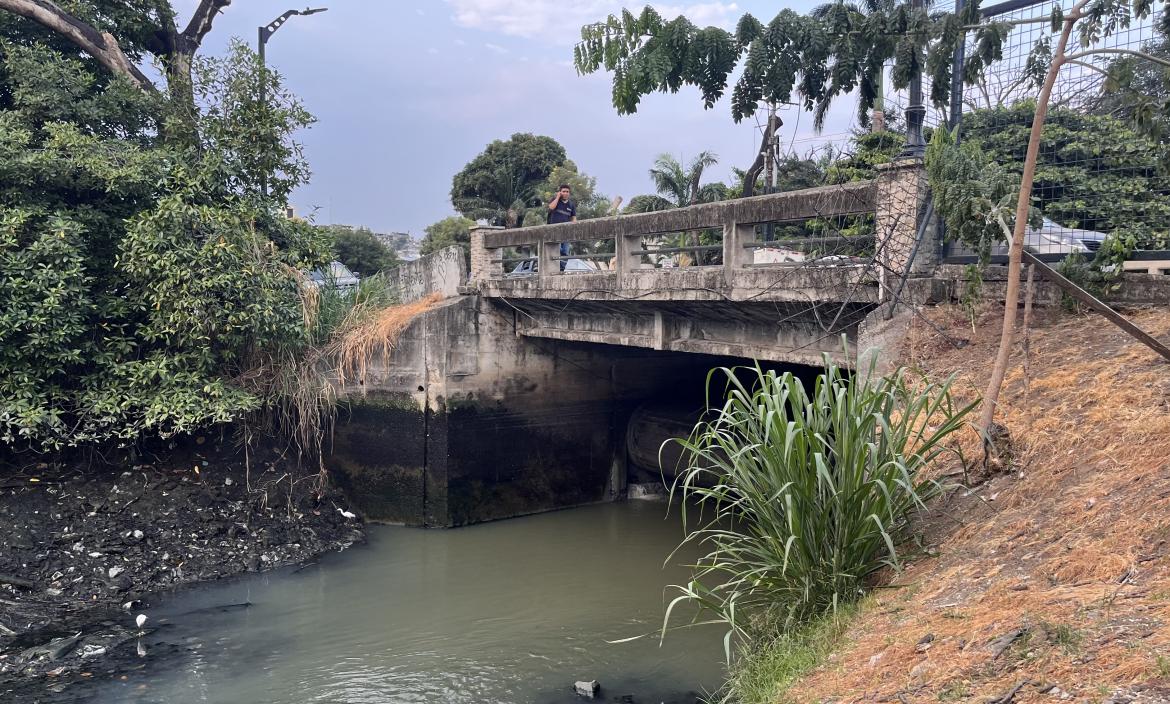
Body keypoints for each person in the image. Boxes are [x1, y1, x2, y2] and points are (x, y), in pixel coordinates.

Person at [546, 184, 576, 271]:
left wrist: (574, 227)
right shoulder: (555, 200)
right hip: (554, 232)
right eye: (563, 191)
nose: (565, 193)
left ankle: (561, 269)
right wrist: (557, 197)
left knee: (565, 252)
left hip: (566, 233)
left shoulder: (571, 205)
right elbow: (551, 207)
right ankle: (554, 268)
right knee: (557, 249)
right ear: (560, 192)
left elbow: (573, 217)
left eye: (567, 192)